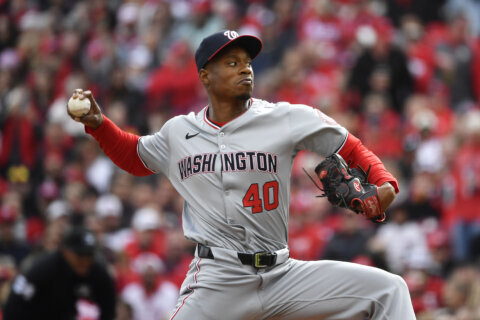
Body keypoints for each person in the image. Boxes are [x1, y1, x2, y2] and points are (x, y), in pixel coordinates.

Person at [67, 30, 415, 319]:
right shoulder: (179, 132)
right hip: (219, 278)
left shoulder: (284, 117)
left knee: (389, 290)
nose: (245, 70)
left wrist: (386, 184)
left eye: (247, 62)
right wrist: (100, 126)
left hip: (282, 274)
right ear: (206, 75)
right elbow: (135, 157)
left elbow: (349, 146)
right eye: (232, 63)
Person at [3, 226, 116, 320]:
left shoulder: (98, 272)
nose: (85, 261)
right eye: (80, 256)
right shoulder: (43, 269)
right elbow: (14, 304)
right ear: (66, 251)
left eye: (89, 256)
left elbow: (109, 308)